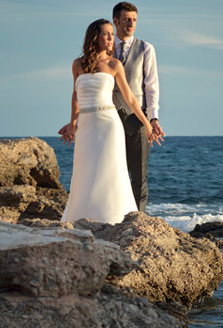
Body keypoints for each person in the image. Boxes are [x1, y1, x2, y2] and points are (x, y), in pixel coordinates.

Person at [58, 19, 154, 225]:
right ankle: (82, 217)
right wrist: (72, 123)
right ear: (95, 37)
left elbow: (130, 99)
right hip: (85, 126)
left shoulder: (114, 65)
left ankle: (113, 219)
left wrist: (147, 124)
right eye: (107, 34)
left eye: (113, 34)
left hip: (108, 124)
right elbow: (75, 95)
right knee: (85, 171)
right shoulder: (78, 64)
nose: (112, 38)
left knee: (109, 170)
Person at [111, 2, 165, 211]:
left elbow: (151, 87)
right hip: (110, 118)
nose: (131, 24)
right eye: (126, 20)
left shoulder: (146, 48)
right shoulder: (104, 48)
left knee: (139, 173)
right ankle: (115, 214)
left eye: (134, 19)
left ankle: (138, 217)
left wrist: (153, 118)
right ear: (116, 21)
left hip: (138, 118)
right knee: (114, 170)